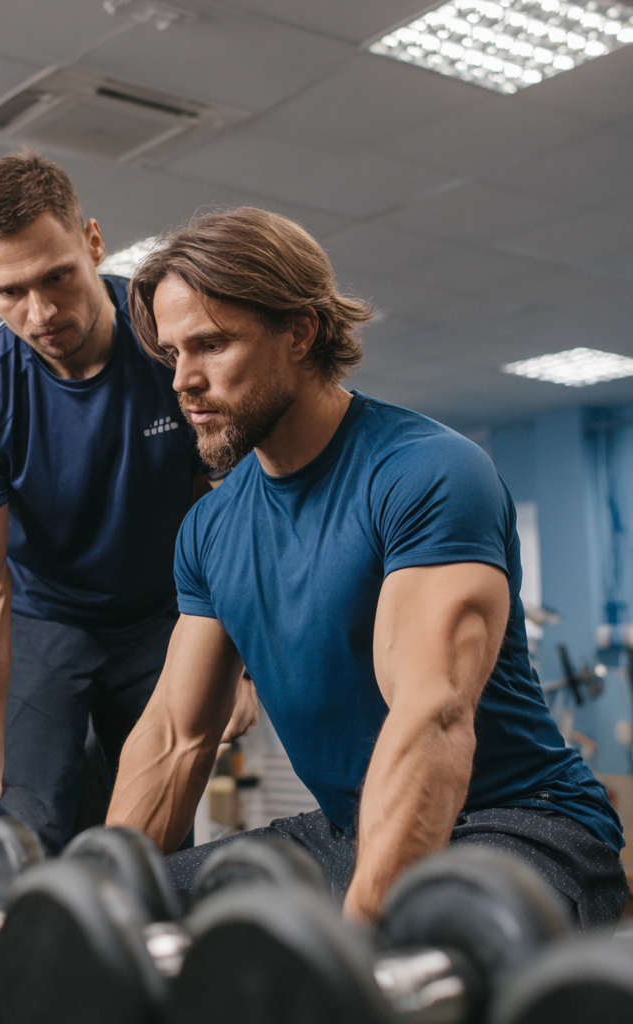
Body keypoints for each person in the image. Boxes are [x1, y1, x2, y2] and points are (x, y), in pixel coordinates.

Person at [105, 207, 627, 928]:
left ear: (300, 330)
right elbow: (174, 735)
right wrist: (90, 906)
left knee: (403, 949)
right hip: (348, 826)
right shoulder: (211, 525)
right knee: (145, 906)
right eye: (173, 355)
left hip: (518, 823)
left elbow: (432, 713)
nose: (184, 381)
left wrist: (358, 949)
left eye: (212, 345)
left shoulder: (427, 472)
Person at [0, 152, 256, 853]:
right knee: (22, 830)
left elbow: (232, 509)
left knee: (151, 841)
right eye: (8, 292)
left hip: (162, 617)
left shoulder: (169, 347)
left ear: (94, 243)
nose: (40, 313)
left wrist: (239, 665)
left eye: (57, 277)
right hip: (44, 620)